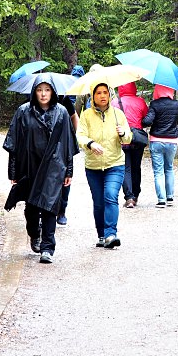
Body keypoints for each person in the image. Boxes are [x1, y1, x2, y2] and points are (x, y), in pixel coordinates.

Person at [3, 74, 77, 264]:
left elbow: (68, 144)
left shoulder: (61, 112)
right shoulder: (23, 112)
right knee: (32, 208)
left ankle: (47, 248)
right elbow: (14, 143)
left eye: (47, 90)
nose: (43, 94)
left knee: (51, 206)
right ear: (34, 91)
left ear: (52, 92)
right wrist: (13, 172)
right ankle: (34, 234)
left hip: (54, 166)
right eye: (39, 90)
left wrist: (69, 171)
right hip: (30, 165)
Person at [77, 82, 133, 248]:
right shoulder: (86, 115)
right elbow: (79, 136)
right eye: (98, 93)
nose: (102, 96)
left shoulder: (118, 114)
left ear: (109, 95)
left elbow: (128, 137)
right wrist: (90, 143)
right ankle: (101, 235)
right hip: (93, 166)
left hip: (115, 163)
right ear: (93, 96)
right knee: (99, 202)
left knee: (110, 195)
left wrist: (123, 133)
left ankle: (111, 234)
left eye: (105, 92)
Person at [56, 64, 87, 226]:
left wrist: (78, 136)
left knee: (65, 177)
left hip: (65, 143)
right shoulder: (37, 102)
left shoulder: (65, 100)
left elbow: (75, 117)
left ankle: (62, 211)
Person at [142, 84, 178, 208]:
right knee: (169, 168)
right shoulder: (177, 104)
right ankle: (170, 197)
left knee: (158, 171)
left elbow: (147, 122)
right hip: (172, 140)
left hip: (157, 140)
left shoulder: (155, 104)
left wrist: (143, 120)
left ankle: (161, 200)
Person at [114, 82, 148, 208]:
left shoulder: (115, 102)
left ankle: (129, 198)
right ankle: (136, 194)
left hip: (122, 138)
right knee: (136, 167)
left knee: (126, 168)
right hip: (137, 139)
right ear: (134, 88)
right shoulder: (140, 101)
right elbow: (145, 118)